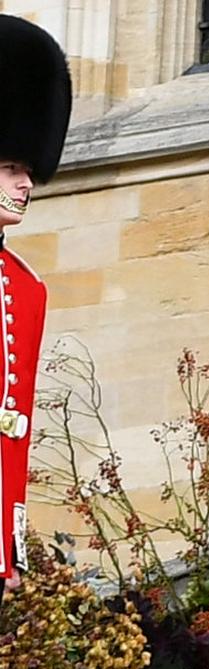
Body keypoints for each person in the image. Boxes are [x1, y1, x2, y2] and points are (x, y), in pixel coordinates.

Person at [0, 15, 72, 604]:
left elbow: (13, 429)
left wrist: (9, 546)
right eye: (11, 169)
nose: (26, 185)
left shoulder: (26, 288)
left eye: (27, 171)